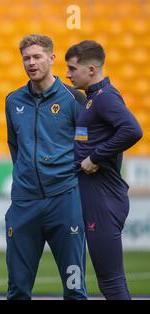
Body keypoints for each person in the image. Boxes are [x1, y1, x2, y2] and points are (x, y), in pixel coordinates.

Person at [4, 34, 88, 300]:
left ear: (52, 58)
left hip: (64, 199)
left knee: (75, 289)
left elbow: (86, 146)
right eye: (26, 58)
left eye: (37, 56)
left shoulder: (74, 99)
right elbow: (14, 146)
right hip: (24, 202)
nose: (31, 62)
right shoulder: (13, 101)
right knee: (17, 289)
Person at [65, 40, 142, 300]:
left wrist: (95, 157)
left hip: (103, 196)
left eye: (72, 68)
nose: (68, 74)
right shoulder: (93, 98)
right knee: (108, 280)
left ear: (90, 69)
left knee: (111, 281)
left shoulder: (105, 97)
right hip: (96, 193)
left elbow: (133, 130)